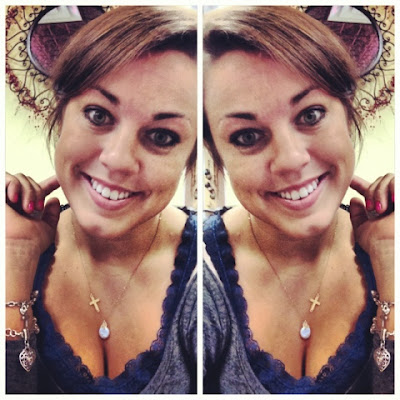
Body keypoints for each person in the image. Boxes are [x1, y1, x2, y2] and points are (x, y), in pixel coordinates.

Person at [6, 6, 197, 394]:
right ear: (61, 114)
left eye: (162, 136)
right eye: (98, 115)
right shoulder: (8, 244)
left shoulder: (219, 268)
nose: (118, 159)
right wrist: (14, 260)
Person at [203, 6, 394, 394]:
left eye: (310, 115)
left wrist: (389, 260)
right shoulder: (191, 266)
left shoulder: (390, 243)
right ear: (217, 154)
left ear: (347, 113)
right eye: (246, 136)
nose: (291, 159)